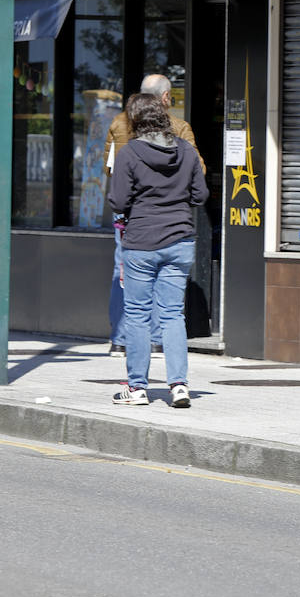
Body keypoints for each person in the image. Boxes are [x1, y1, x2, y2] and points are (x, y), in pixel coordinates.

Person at [108, 92, 208, 408]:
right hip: (180, 241)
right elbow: (200, 194)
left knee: (137, 315)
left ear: (135, 121)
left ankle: (137, 388)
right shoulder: (187, 152)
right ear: (165, 116)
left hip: (141, 244)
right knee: (172, 314)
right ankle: (179, 386)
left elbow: (118, 202)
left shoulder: (129, 153)